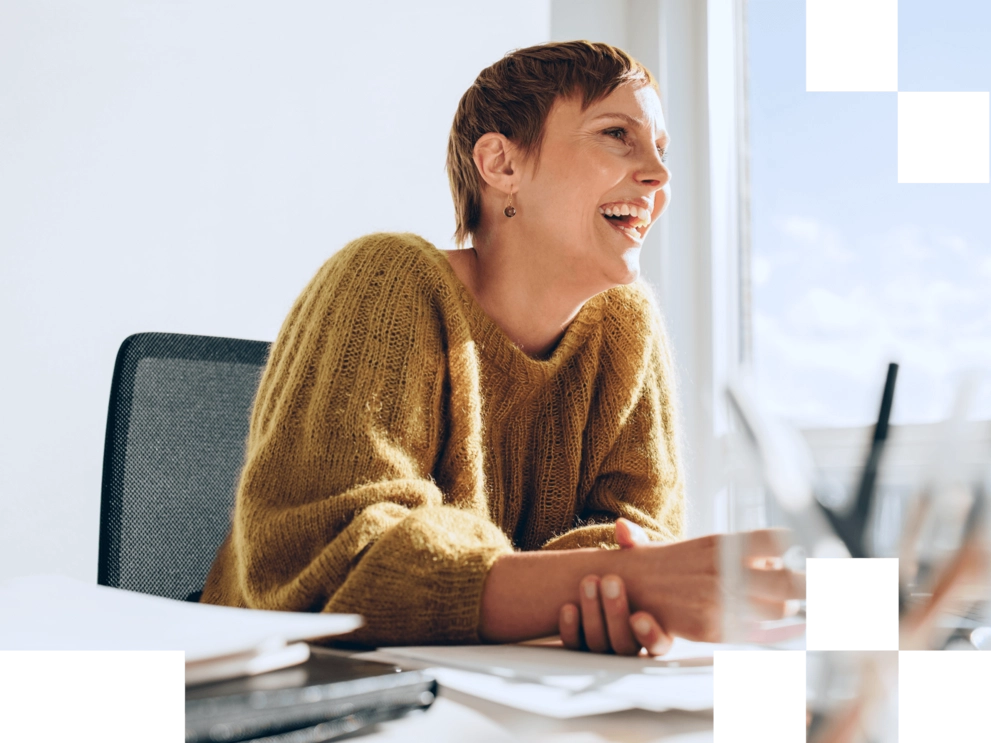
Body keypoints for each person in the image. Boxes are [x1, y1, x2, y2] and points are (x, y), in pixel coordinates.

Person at [201, 40, 806, 654]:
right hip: (275, 689)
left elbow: (635, 539)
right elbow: (331, 562)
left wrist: (603, 584)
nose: (658, 173)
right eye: (616, 135)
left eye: (660, 149)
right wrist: (606, 582)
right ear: (502, 165)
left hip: (495, 691)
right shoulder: (384, 279)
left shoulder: (628, 325)